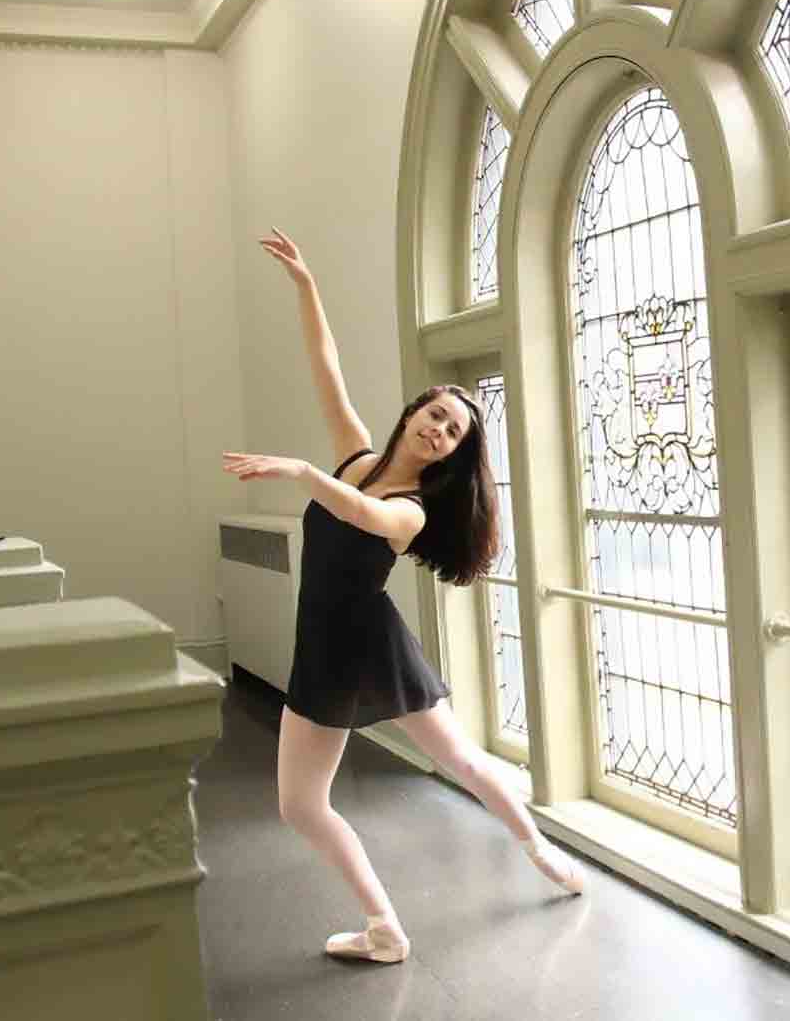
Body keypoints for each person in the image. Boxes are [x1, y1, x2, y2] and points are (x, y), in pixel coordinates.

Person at [220, 227, 585, 966]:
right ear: (415, 410)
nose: (439, 430)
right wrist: (306, 286)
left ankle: (539, 849)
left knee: (464, 761)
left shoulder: (412, 508)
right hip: (321, 643)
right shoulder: (357, 451)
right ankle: (385, 925)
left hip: (370, 647)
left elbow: (363, 515)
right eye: (436, 415)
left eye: (452, 432)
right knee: (299, 804)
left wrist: (299, 470)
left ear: (451, 454)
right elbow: (326, 367)